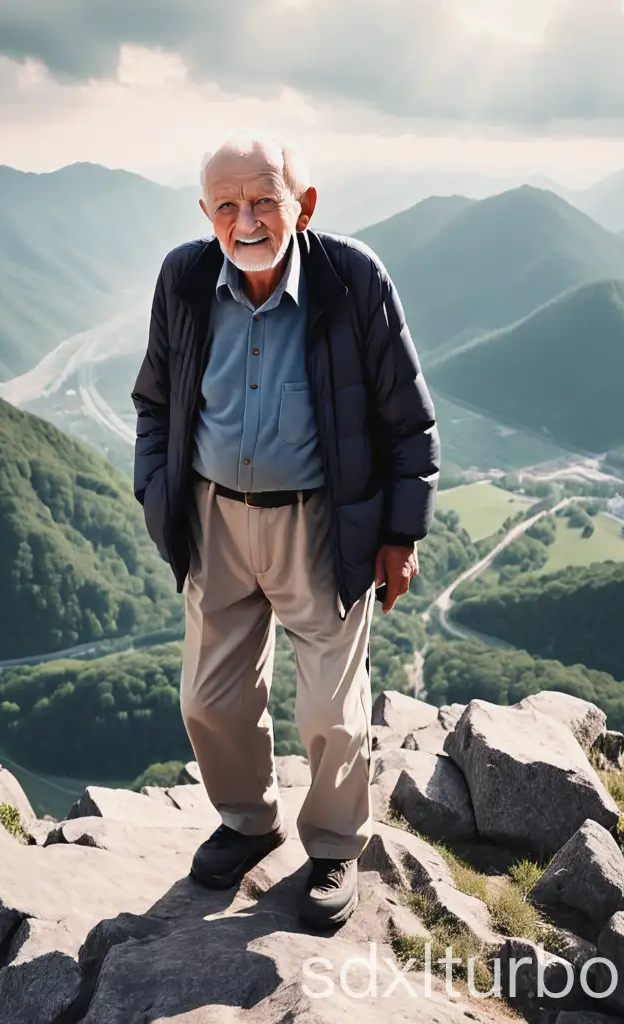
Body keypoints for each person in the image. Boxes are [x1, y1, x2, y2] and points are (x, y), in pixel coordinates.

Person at [131, 135, 439, 929]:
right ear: (206, 215)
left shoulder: (353, 279)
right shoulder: (186, 277)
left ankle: (335, 847)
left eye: (264, 199)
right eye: (226, 206)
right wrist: (157, 496)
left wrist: (400, 537)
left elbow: (409, 421)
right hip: (213, 518)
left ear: (304, 204)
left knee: (330, 713)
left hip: (322, 523)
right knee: (207, 701)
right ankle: (248, 821)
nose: (246, 220)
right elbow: (156, 403)